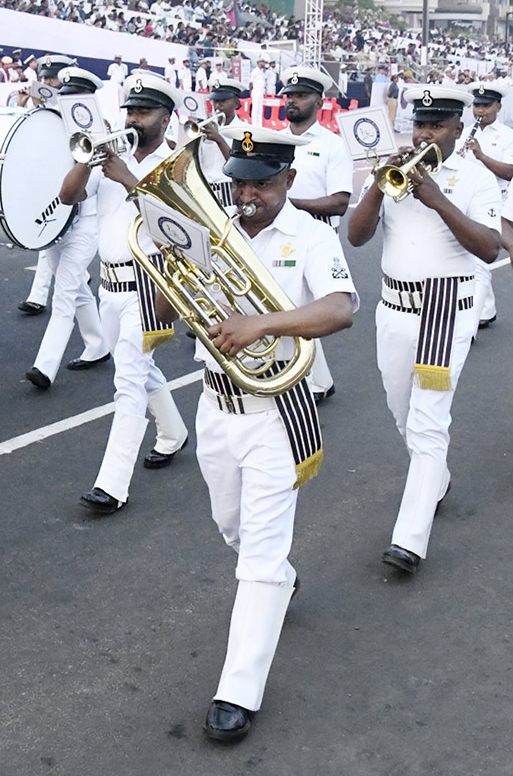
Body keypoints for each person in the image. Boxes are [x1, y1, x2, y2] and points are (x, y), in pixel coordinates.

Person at [152, 125, 358, 743]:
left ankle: (237, 691)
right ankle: (278, 581)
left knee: (260, 555)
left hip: (278, 409)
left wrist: (261, 323)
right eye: (238, 184)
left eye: (261, 184)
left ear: (288, 180)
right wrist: (165, 262)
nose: (246, 196)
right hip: (216, 407)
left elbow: (340, 309)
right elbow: (163, 317)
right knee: (233, 529)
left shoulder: (312, 236)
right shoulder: (210, 232)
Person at [346, 85, 502, 575]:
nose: (425, 134)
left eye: (436, 126)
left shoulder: (476, 178)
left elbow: (489, 248)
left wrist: (437, 200)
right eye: (420, 125)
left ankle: (409, 539)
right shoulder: (394, 173)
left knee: (429, 421)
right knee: (402, 413)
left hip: (445, 308)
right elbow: (356, 236)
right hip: (394, 306)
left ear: (458, 129)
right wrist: (378, 185)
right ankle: (436, 477)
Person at [57, 70, 190, 514]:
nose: (134, 118)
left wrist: (128, 176)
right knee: (136, 367)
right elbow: (68, 196)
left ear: (166, 118)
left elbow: (178, 226)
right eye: (130, 110)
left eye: (144, 111)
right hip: (109, 285)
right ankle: (173, 433)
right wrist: (88, 157)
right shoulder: (110, 156)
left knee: (128, 380)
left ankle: (112, 485)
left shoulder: (178, 163)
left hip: (150, 283)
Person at [25, 66, 111, 390]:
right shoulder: (54, 134)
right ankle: (97, 345)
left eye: (73, 100)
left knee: (63, 295)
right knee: (75, 290)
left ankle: (44, 367)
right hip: (55, 226)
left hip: (83, 225)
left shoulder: (101, 138)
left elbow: (78, 192)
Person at [278, 66, 354, 403]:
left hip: (318, 236)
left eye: (301, 95)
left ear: (319, 102)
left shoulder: (333, 145)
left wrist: (288, 205)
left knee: (305, 308)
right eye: (289, 95)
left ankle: (309, 380)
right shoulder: (276, 141)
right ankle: (319, 381)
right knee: (290, 304)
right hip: (280, 233)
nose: (292, 101)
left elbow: (339, 202)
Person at [18, 54, 75, 316]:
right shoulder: (39, 104)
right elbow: (25, 134)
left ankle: (39, 295)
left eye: (53, 78)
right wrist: (25, 105)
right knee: (48, 233)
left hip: (70, 175)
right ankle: (40, 295)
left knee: (55, 234)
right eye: (45, 78)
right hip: (46, 176)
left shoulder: (73, 101)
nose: (49, 82)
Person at [463, 81, 513, 328]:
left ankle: (469, 326)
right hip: (466, 200)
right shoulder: (464, 132)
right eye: (477, 106)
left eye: (486, 106)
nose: (480, 111)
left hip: (495, 202)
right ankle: (487, 309)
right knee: (468, 256)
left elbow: (510, 172)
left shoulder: (508, 136)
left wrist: (481, 155)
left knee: (481, 261)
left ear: (498, 107)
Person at [197, 76, 250, 208]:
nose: (217, 106)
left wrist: (219, 139)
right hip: (205, 188)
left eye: (223, 101)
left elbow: (240, 167)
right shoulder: (207, 126)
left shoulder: (245, 131)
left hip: (229, 190)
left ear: (236, 103)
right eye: (215, 101)